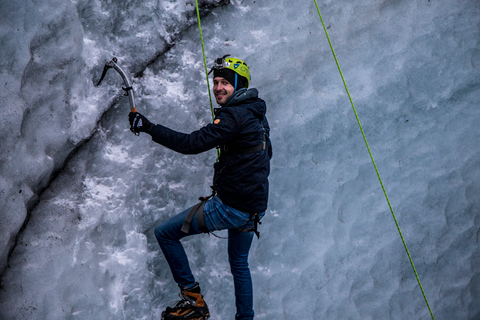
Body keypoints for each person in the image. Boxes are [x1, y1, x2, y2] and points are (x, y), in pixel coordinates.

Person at [128, 55, 272, 320]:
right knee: (239, 264)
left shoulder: (234, 117)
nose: (218, 87)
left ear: (238, 85)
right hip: (254, 209)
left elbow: (190, 144)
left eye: (225, 83)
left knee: (165, 234)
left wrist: (148, 127)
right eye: (216, 82)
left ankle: (193, 300)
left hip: (232, 207)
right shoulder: (256, 113)